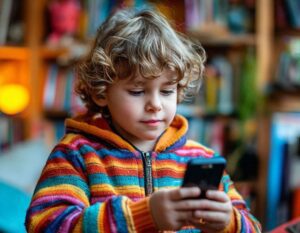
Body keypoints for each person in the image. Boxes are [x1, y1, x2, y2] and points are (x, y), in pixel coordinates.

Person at [25, 8, 261, 233]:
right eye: (138, 91)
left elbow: (253, 226)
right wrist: (143, 216)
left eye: (167, 91)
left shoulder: (201, 159)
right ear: (101, 92)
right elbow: (47, 225)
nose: (156, 104)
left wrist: (229, 222)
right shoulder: (76, 154)